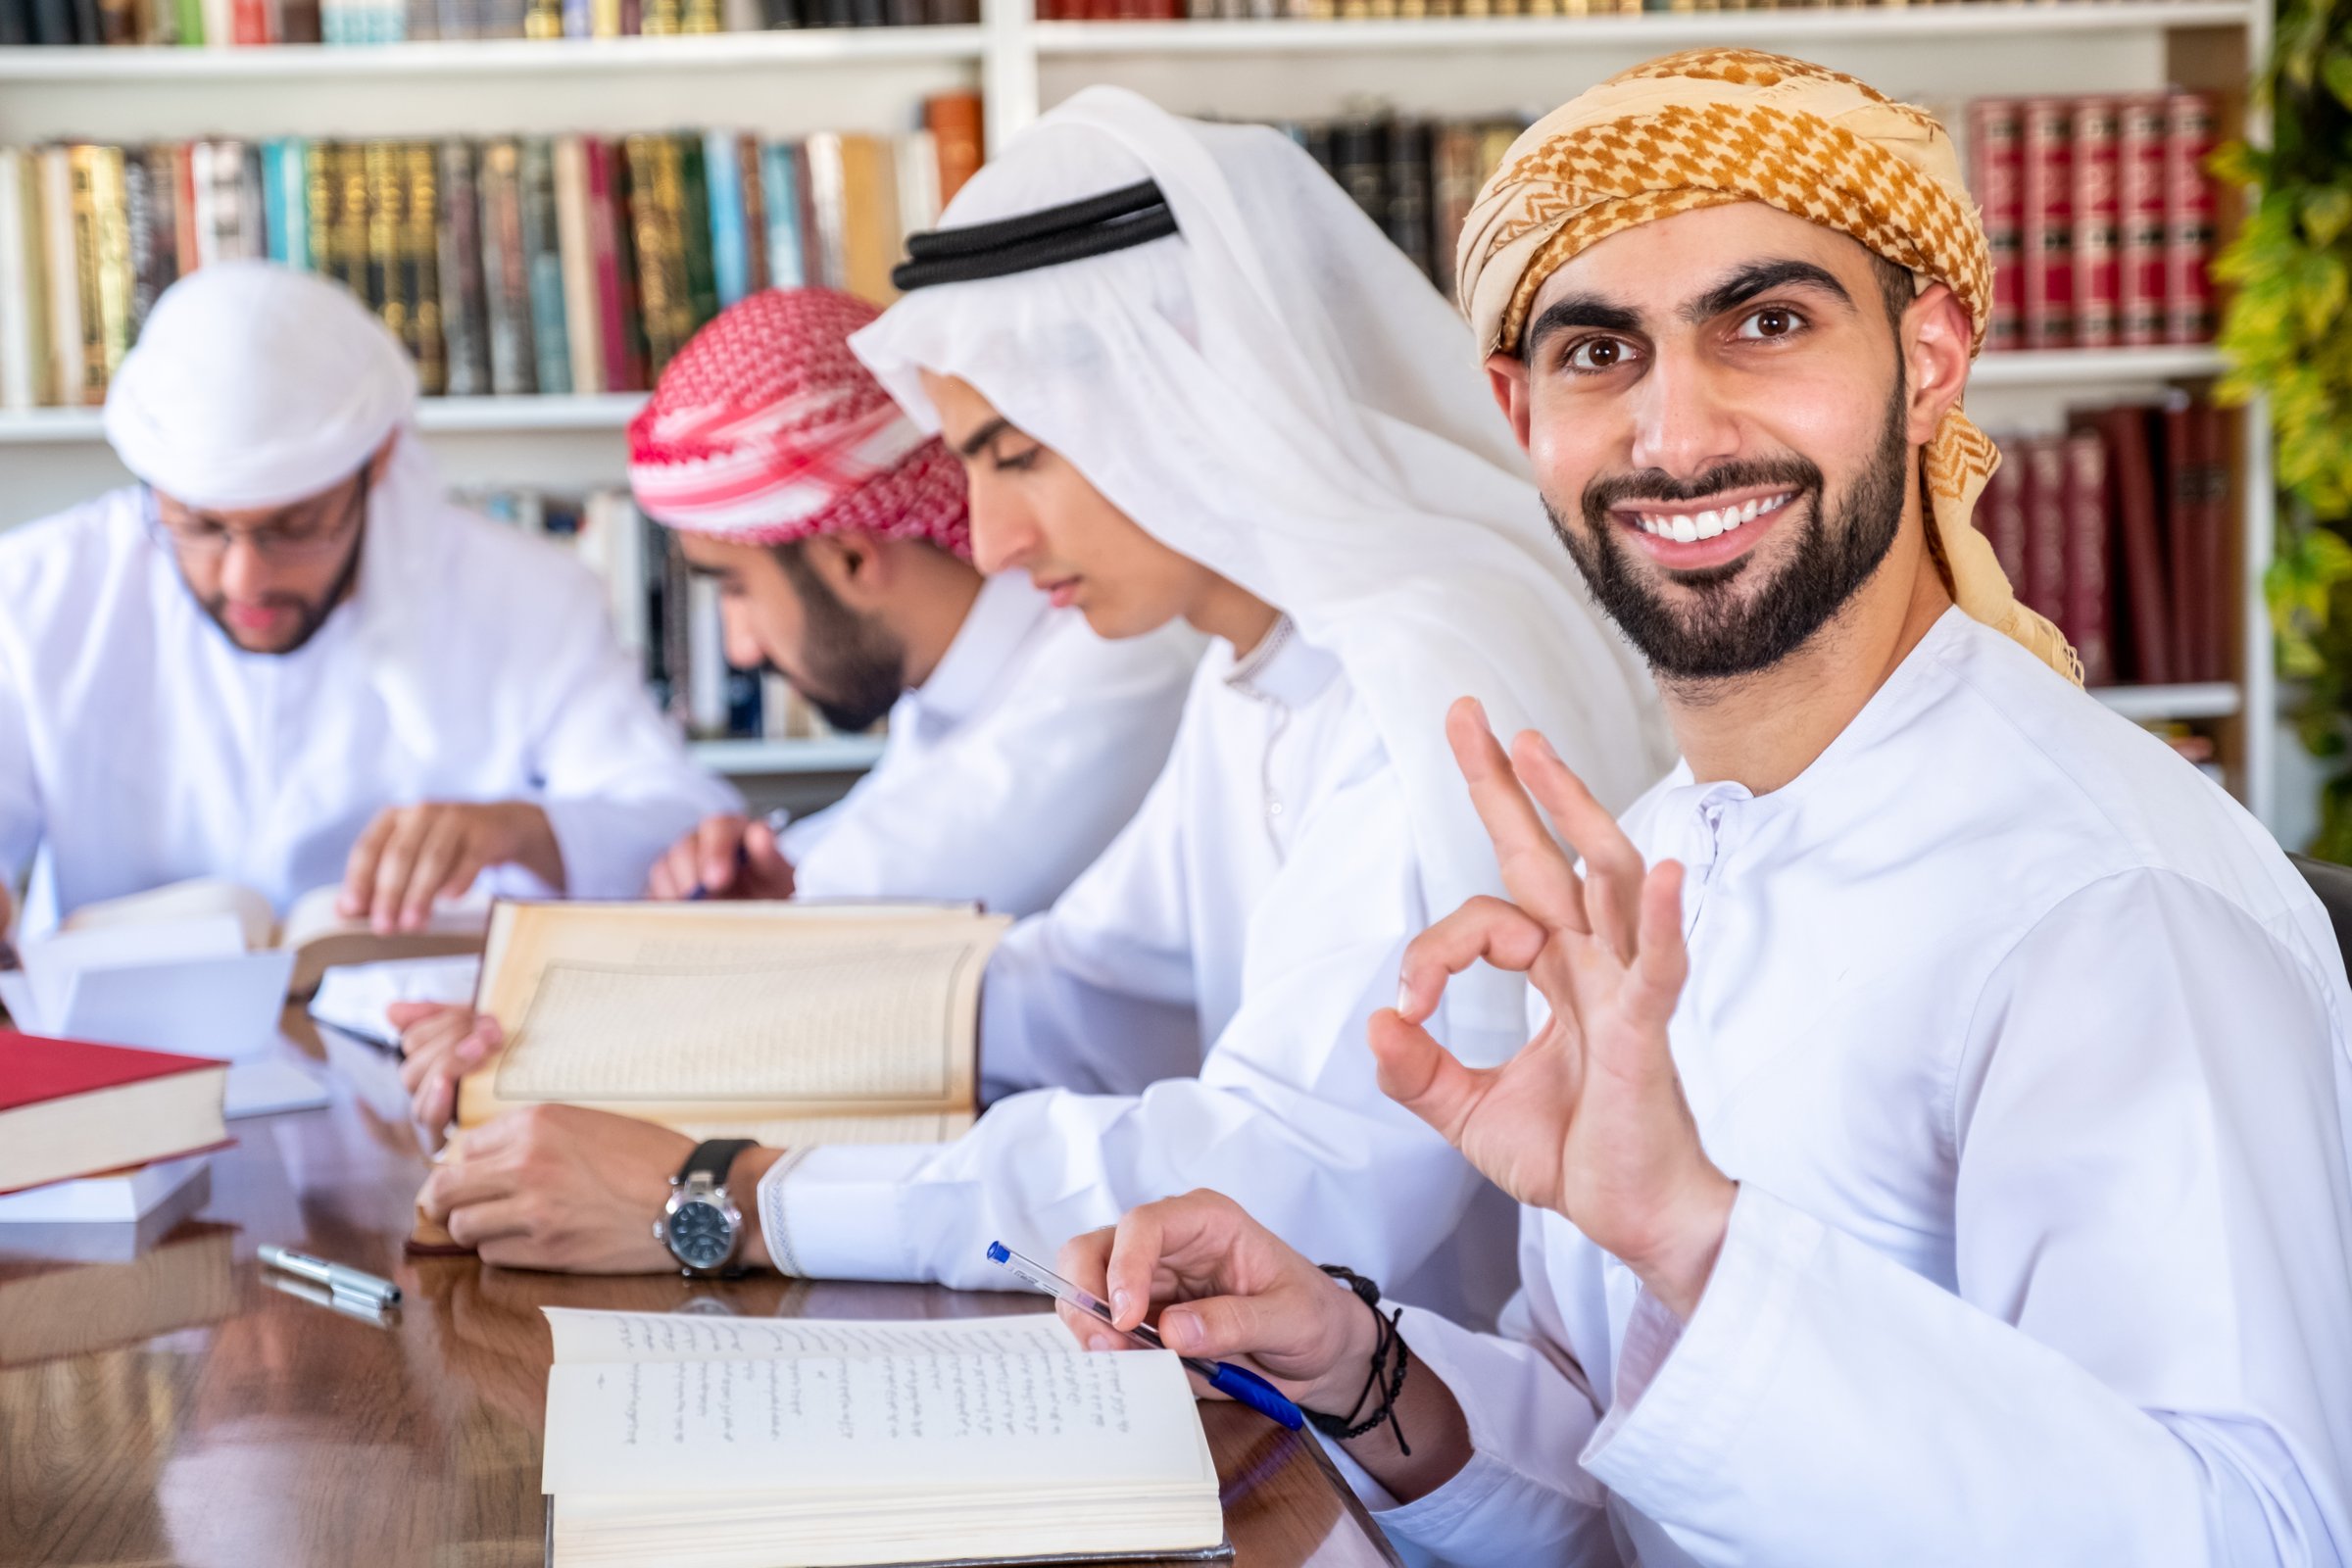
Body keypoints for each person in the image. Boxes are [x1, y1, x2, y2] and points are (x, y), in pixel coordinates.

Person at [1055, 51, 2352, 1567]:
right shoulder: (1664, 844)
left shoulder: (2105, 897)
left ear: (1930, 360)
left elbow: (2262, 1536)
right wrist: (1350, 1360)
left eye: (1769, 323)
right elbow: (1644, 1469)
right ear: (1516, 410)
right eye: (1599, 352)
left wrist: (1699, 1234)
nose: (1675, 436)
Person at [405, 88, 1668, 1325]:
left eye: (1018, 457)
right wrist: (569, 1044)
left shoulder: (1423, 674)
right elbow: (1065, 988)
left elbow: (1289, 1172)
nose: (995, 542)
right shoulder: (1264, 664)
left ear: (1179, 401)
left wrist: (735, 1197)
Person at [0, 262, 735, 944]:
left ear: (377, 461)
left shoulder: (531, 593)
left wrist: (521, 829)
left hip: (424, 1049)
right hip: (116, 1055)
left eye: (294, 527)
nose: (243, 579)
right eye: (199, 527)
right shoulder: (37, 592)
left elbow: (683, 827)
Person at [626, 286, 1198, 910]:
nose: (739, 649)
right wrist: (755, 868)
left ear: (851, 557)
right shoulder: (942, 688)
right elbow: (836, 866)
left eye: (737, 590)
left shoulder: (1125, 648)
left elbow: (868, 906)